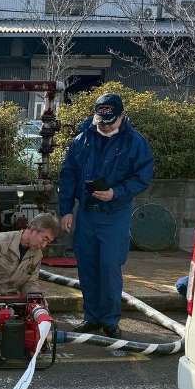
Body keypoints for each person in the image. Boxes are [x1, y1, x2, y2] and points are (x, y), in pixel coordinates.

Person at [58, 92, 153, 338]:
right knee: (87, 267)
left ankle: (110, 321)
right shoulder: (82, 139)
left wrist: (116, 192)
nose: (105, 126)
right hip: (86, 213)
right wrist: (66, 210)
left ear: (121, 116)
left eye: (110, 122)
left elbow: (143, 177)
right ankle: (91, 317)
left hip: (115, 214)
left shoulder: (135, 142)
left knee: (110, 267)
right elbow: (68, 175)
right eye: (101, 122)